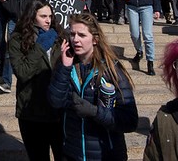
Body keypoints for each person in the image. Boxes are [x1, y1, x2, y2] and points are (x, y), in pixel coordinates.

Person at [47, 12, 138, 160]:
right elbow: (55, 102)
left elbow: (130, 121)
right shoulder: (66, 65)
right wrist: (64, 67)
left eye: (82, 35)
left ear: (95, 39)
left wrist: (95, 112)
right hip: (72, 153)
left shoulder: (111, 70)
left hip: (105, 155)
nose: (75, 39)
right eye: (72, 34)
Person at [8, 0, 63, 161]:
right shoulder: (17, 39)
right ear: (32, 16)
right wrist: (39, 47)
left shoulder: (59, 37)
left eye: (50, 16)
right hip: (32, 112)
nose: (48, 20)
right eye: (43, 16)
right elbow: (23, 72)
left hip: (58, 111)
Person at [0, 0, 44, 93]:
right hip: (13, 18)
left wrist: (33, 11)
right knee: (10, 49)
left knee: (31, 48)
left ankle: (33, 79)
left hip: (28, 19)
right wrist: (8, 5)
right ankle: (6, 81)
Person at [119, 0, 161, 75]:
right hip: (132, 6)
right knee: (134, 33)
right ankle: (139, 50)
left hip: (146, 6)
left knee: (147, 35)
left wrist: (157, 9)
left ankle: (150, 61)